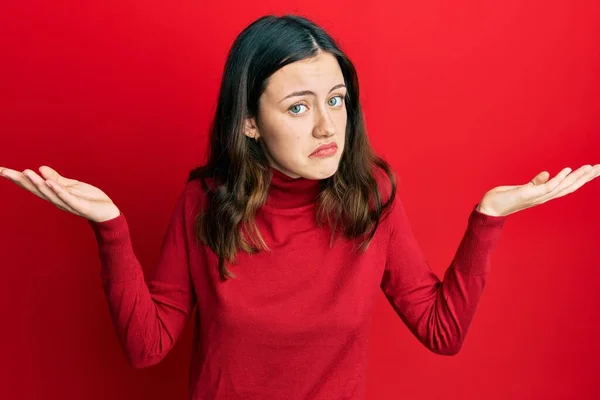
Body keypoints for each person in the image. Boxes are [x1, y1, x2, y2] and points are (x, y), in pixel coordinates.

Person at [1, 13, 598, 400]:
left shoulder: (373, 200)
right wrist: (110, 229)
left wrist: (487, 220)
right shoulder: (204, 203)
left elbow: (442, 332)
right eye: (297, 107)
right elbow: (146, 348)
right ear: (249, 122)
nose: (326, 126)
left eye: (337, 100)